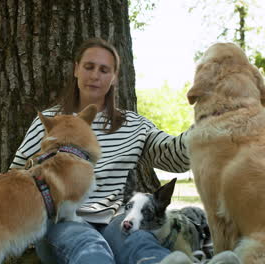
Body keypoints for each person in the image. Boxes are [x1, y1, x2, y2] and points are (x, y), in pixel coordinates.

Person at [10, 37, 193, 264]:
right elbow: (14, 177)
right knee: (89, 246)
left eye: (104, 70)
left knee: (139, 242)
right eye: (89, 67)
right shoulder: (49, 123)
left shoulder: (135, 125)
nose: (95, 75)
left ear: (114, 77)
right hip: (61, 222)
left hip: (115, 220)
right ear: (76, 69)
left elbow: (176, 159)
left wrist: (206, 124)